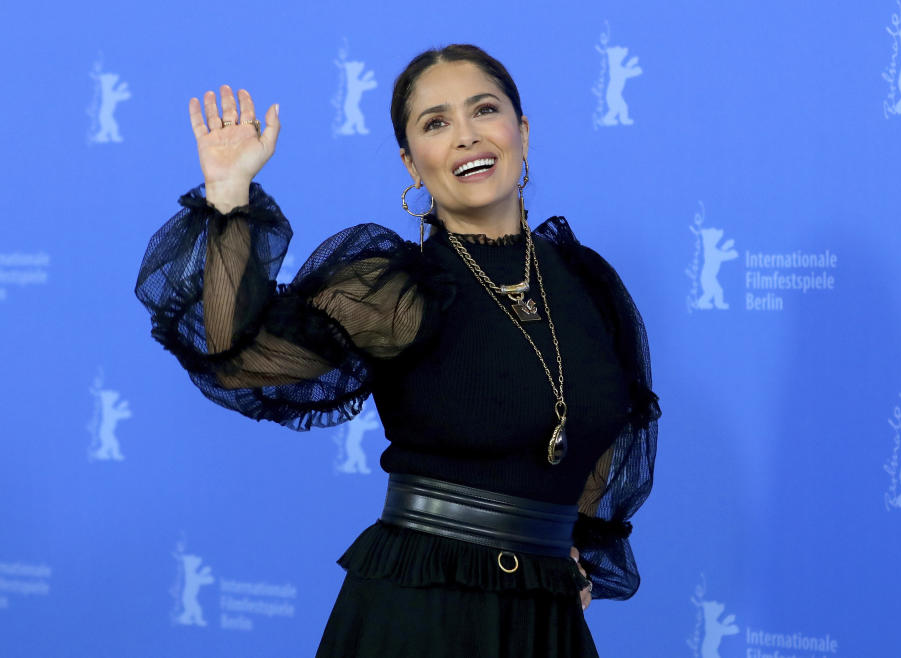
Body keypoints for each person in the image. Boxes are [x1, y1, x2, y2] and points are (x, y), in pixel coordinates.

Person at [135, 43, 660, 658]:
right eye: (436, 123)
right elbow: (234, 356)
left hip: (547, 618)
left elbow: (615, 428)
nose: (466, 137)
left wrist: (568, 540)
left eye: (483, 111)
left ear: (521, 131)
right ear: (412, 163)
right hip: (423, 611)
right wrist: (229, 192)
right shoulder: (398, 290)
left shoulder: (587, 281)